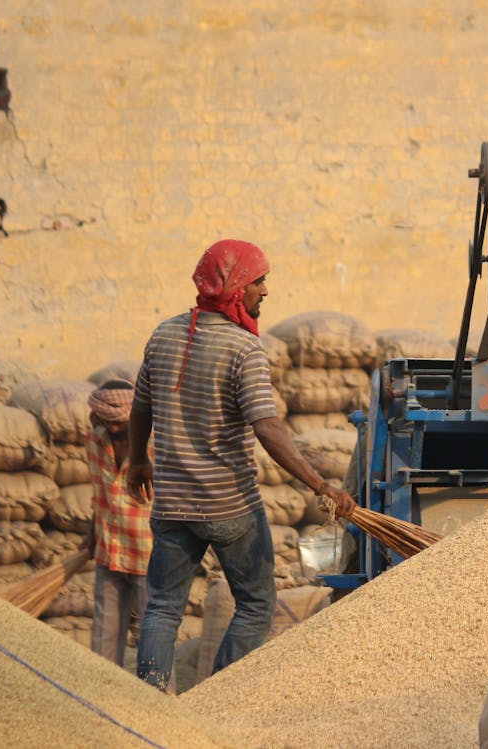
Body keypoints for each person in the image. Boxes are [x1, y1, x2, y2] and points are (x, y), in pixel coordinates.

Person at [126, 239, 356, 691]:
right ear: (235, 288)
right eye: (258, 281)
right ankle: (217, 698)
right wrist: (319, 484)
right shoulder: (243, 348)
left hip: (173, 506)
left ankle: (148, 702)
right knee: (254, 605)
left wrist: (137, 462)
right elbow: (267, 428)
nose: (265, 291)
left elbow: (140, 408)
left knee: (162, 609)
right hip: (229, 506)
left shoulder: (164, 335)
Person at [81, 379, 152, 667]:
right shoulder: (94, 441)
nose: (112, 429)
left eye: (118, 422)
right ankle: (103, 692)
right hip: (109, 550)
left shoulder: (154, 444)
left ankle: (162, 697)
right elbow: (98, 493)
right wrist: (91, 533)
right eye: (106, 421)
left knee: (153, 634)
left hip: (149, 554)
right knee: (104, 635)